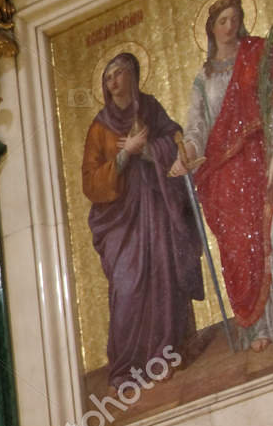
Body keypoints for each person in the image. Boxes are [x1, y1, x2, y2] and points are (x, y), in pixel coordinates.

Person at [169, 0, 273, 350]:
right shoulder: (204, 77)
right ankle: (260, 325)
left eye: (235, 18)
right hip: (227, 176)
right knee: (241, 250)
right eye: (222, 21)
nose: (230, 26)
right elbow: (198, 126)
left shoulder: (259, 54)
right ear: (211, 29)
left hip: (265, 161)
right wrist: (189, 154)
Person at [81, 52, 203, 380]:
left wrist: (151, 151)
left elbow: (173, 137)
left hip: (156, 205)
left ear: (133, 75)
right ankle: (125, 367)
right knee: (127, 285)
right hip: (120, 218)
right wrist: (125, 154)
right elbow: (90, 181)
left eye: (118, 74)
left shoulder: (149, 108)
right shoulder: (99, 127)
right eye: (108, 78)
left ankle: (164, 355)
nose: (113, 82)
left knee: (163, 276)